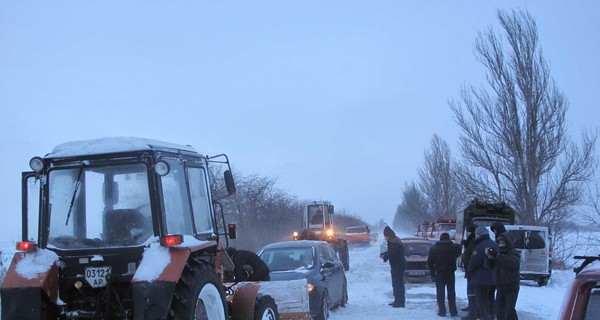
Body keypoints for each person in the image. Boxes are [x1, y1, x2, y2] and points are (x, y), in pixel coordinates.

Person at [465, 226, 498, 320]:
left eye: (476, 234)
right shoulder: (494, 244)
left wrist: (469, 271)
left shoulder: (480, 246)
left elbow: (474, 261)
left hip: (481, 278)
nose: (475, 236)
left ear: (479, 235)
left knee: (482, 302)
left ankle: (486, 317)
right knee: (490, 299)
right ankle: (491, 316)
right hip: (493, 278)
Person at [485, 234, 521, 320]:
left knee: (509, 311)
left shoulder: (513, 253)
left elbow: (511, 263)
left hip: (511, 287)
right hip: (500, 286)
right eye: (499, 243)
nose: (501, 245)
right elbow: (489, 266)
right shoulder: (499, 253)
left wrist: (497, 255)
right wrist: (489, 257)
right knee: (499, 311)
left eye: (503, 243)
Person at [427, 232, 462, 317]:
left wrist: (432, 274)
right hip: (450, 273)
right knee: (451, 293)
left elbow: (429, 262)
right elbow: (459, 251)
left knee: (440, 293)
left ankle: (442, 311)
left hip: (439, 273)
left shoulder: (434, 248)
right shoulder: (453, 247)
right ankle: (453, 312)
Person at [380, 225, 406, 308]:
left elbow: (393, 254)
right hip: (398, 265)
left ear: (388, 235)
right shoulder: (395, 240)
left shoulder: (394, 242)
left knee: (397, 284)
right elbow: (392, 253)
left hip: (397, 265)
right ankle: (398, 300)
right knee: (398, 284)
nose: (385, 238)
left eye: (385, 236)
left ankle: (399, 302)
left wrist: (385, 256)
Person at [460, 224, 477, 313]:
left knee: (471, 289)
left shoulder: (474, 240)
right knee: (470, 288)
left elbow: (470, 254)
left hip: (471, 269)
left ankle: (472, 307)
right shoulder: (471, 240)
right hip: (469, 268)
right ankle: (471, 305)